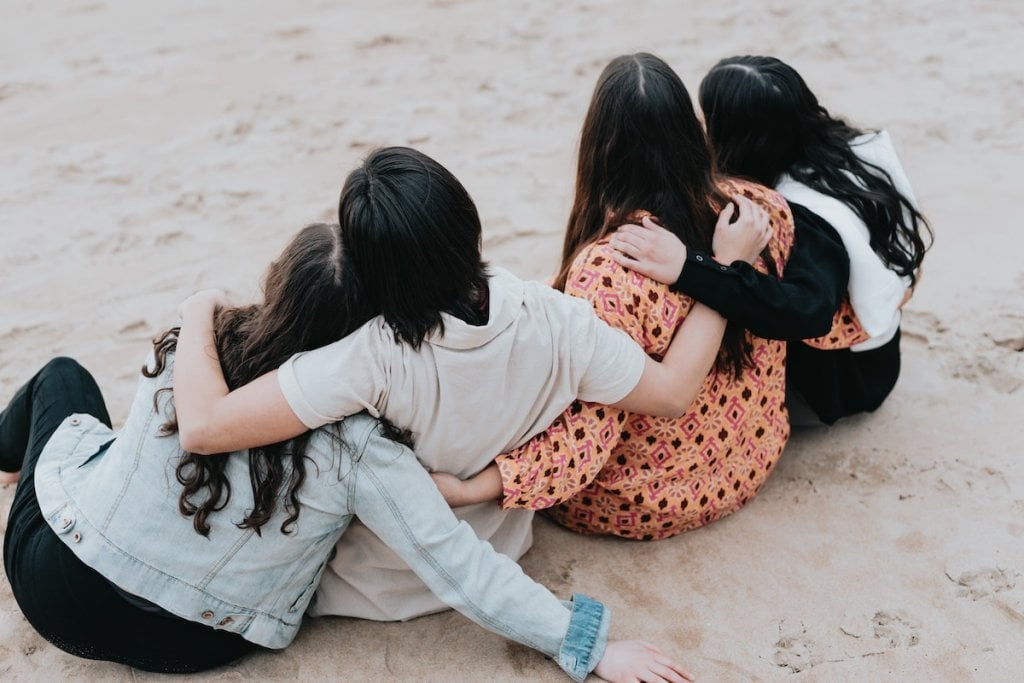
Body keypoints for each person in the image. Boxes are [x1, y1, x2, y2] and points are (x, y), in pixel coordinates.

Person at [1, 223, 693, 682]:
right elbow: (460, 565)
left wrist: (196, 308)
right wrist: (592, 647)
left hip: (56, 589)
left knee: (63, 378)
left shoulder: (192, 351)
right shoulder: (362, 445)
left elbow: (180, 424)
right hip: (194, 644)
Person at [170, 147, 763, 627]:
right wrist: (726, 272)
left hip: (366, 592)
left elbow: (203, 428)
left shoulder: (368, 359)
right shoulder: (560, 322)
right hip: (503, 556)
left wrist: (199, 308)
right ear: (468, 222)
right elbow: (672, 392)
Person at [432, 53, 794, 542]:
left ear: (598, 148)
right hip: (752, 454)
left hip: (648, 499)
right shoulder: (754, 214)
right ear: (691, 131)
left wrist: (476, 487)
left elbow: (588, 431)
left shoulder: (608, 275)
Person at [611, 55, 931, 425]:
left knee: (726, 313)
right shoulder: (858, 150)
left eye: (709, 118)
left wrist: (692, 268)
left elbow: (809, 312)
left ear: (737, 136)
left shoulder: (804, 215)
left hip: (844, 385)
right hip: (881, 350)